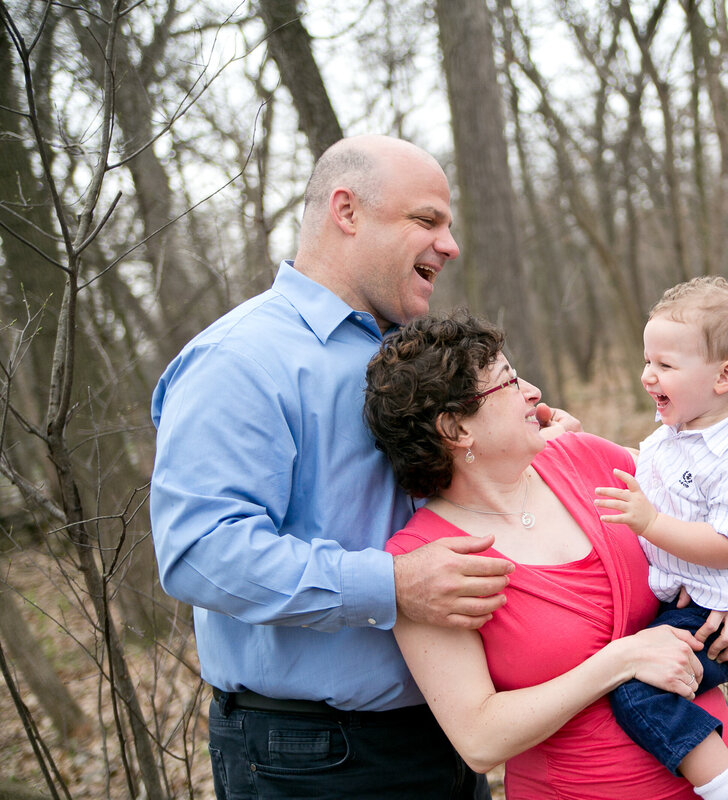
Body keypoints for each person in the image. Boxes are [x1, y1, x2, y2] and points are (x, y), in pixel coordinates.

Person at [150, 135, 574, 799]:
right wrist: (388, 584)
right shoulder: (240, 360)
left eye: (449, 225)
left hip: (456, 731)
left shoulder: (417, 357)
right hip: (315, 756)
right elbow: (199, 551)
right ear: (346, 212)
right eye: (427, 220)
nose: (450, 245)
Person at [364, 311, 728, 800]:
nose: (534, 392)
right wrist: (618, 662)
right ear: (456, 429)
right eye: (509, 382)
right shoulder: (423, 564)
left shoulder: (590, 459)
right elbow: (478, 738)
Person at [593, 276, 728, 800]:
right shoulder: (686, 428)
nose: (646, 376)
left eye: (664, 365)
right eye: (647, 360)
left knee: (638, 693)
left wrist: (650, 525)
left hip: (716, 613)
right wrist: (578, 437)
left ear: (725, 376)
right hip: (693, 598)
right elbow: (654, 473)